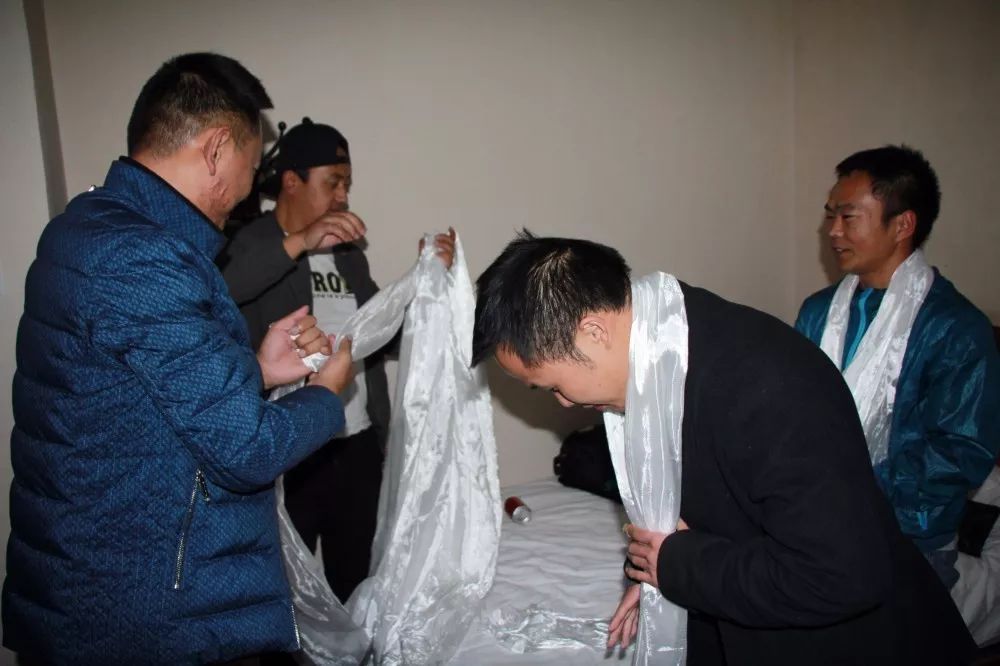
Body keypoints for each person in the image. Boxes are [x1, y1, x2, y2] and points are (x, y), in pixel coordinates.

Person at [472, 232, 975, 664]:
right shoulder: (664, 353)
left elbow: (841, 577)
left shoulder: (765, 387)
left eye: (551, 386)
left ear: (594, 331)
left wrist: (677, 567)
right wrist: (655, 577)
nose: (563, 403)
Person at [2, 53, 355, 665]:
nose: (243, 195)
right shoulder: (141, 257)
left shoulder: (92, 228)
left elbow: (143, 393)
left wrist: (257, 369)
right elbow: (246, 449)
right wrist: (327, 394)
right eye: (250, 167)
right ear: (216, 148)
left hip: (106, 585)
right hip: (152, 612)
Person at [219, 118, 455, 602]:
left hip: (356, 443)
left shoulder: (348, 256)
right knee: (285, 594)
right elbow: (224, 290)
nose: (344, 196)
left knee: (360, 587)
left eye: (347, 183)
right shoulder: (250, 243)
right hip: (291, 449)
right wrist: (301, 241)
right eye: (333, 182)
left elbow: (383, 335)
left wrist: (426, 281)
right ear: (292, 181)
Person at [795, 145, 1000, 589]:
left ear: (903, 224)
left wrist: (852, 493)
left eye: (848, 217)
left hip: (909, 540)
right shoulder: (818, 312)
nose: (833, 231)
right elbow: (792, 410)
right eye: (830, 215)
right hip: (814, 523)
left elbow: (958, 451)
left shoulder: (955, 328)